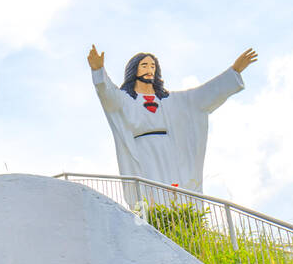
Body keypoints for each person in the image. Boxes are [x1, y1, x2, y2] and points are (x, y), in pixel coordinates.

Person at [88, 45, 256, 194]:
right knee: (150, 189)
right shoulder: (125, 99)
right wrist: (98, 71)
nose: (149, 69)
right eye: (144, 65)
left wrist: (234, 71)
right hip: (143, 149)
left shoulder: (172, 100)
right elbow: (108, 95)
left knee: (173, 188)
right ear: (135, 70)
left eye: (153, 66)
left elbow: (204, 95)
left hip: (169, 148)